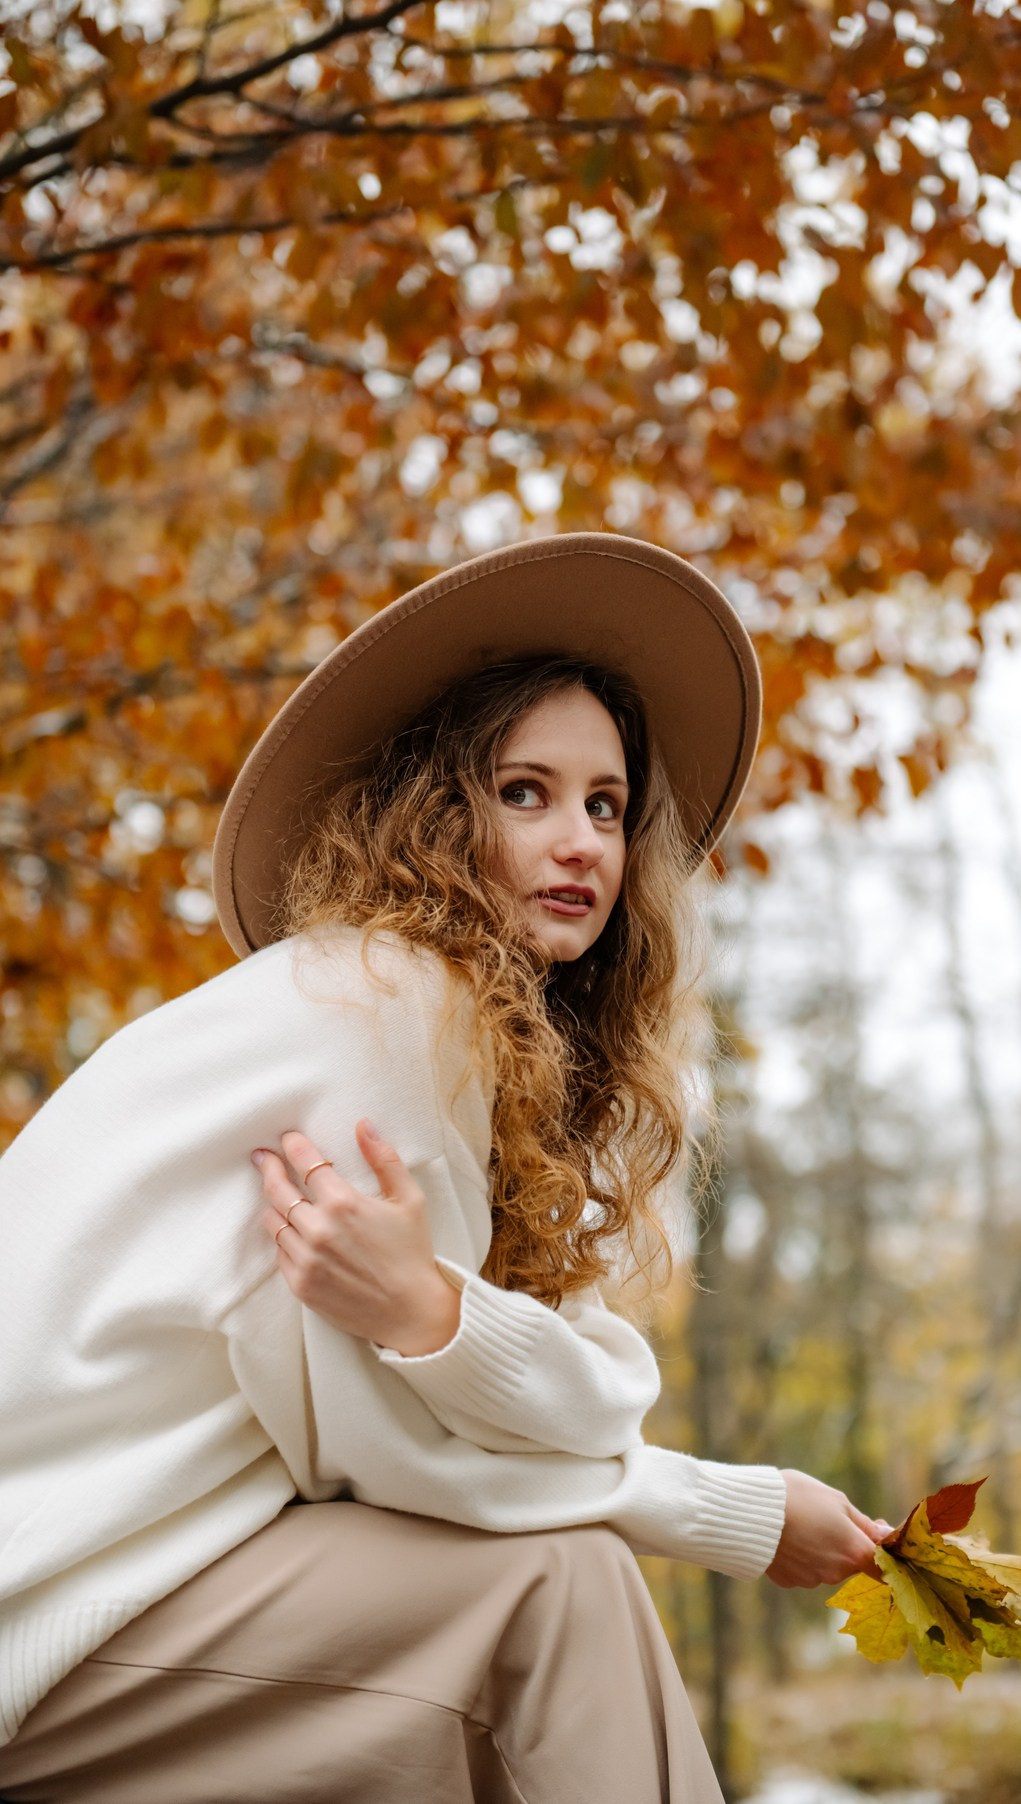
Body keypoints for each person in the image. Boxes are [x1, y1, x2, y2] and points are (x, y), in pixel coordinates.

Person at [0, 533, 889, 1803]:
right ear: (430, 811)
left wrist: (439, 1318)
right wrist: (738, 1518)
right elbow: (399, 1463)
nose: (578, 839)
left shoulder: (420, 1026)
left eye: (605, 804)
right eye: (524, 790)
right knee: (552, 1587)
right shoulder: (393, 1005)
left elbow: (573, 1383)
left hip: (136, 1588)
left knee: (527, 1599)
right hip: (47, 1619)